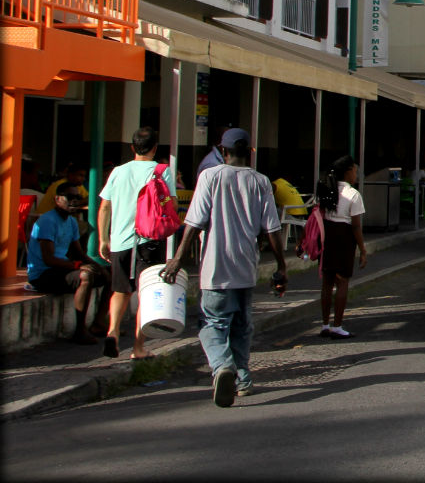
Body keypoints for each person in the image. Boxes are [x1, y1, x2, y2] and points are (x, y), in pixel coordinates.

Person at [161, 127, 286, 407]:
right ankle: (243, 380)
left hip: (216, 270)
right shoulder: (261, 181)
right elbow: (272, 230)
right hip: (246, 267)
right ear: (250, 151)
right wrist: (281, 267)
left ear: (224, 151)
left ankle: (222, 367)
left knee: (212, 325)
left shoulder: (210, 176)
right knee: (242, 327)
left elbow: (194, 222)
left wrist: (178, 258)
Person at [97, 126, 175, 359]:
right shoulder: (162, 171)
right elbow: (169, 203)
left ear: (132, 147)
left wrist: (103, 239)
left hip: (120, 241)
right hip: (149, 240)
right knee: (146, 294)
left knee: (120, 290)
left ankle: (113, 332)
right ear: (154, 148)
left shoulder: (118, 172)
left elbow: (105, 207)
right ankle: (138, 348)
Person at [27, 183, 110, 344]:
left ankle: (98, 323)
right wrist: (78, 266)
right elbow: (49, 259)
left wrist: (101, 268)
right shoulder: (47, 221)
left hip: (62, 269)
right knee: (85, 276)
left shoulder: (71, 222)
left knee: (110, 273)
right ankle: (80, 330)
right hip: (43, 274)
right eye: (69, 197)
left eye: (77, 197)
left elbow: (78, 253)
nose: (74, 201)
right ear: (57, 199)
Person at [317, 155, 368, 338]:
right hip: (344, 237)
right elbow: (356, 226)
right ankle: (337, 325)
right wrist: (362, 249)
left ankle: (324, 324)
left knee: (327, 282)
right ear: (348, 172)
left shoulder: (327, 190)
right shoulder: (354, 194)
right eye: (355, 170)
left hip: (327, 236)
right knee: (342, 281)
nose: (356, 174)